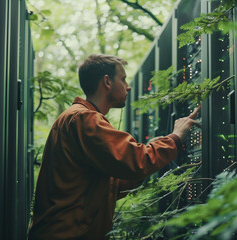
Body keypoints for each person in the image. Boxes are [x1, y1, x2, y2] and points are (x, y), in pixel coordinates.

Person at [27, 54, 200, 240]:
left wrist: (151, 156)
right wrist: (175, 138)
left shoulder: (77, 118)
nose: (128, 86)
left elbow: (109, 187)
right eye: (123, 79)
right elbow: (137, 160)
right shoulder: (84, 119)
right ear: (107, 81)